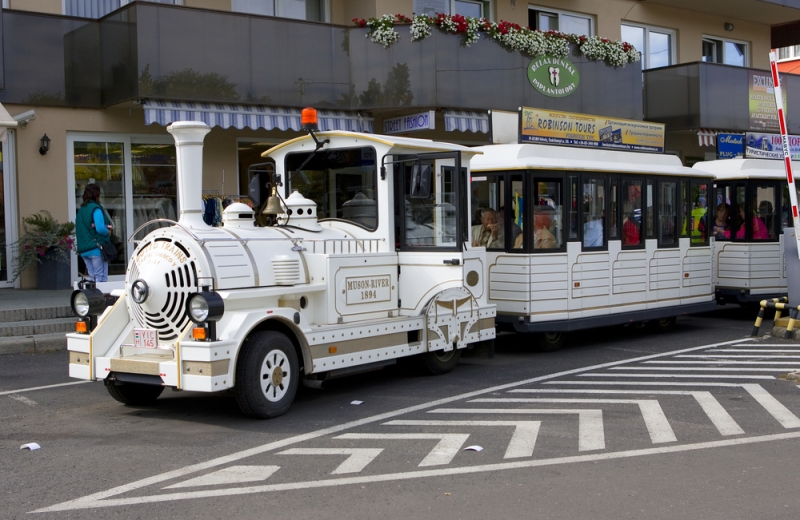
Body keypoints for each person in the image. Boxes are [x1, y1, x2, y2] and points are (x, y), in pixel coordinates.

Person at [76, 183, 113, 282]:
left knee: (93, 278)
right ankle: (101, 297)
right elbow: (100, 228)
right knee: (101, 278)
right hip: (96, 248)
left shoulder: (81, 210)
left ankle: (92, 297)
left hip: (84, 250)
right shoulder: (95, 208)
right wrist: (108, 232)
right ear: (97, 194)